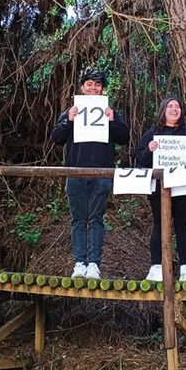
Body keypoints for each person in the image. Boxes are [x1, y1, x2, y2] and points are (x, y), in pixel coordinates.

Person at [50, 69, 130, 280]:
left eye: (98, 85)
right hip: (75, 173)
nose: (93, 88)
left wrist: (113, 121)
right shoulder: (71, 112)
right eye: (89, 84)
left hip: (101, 174)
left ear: (103, 88)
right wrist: (68, 120)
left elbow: (124, 138)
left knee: (96, 219)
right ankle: (79, 263)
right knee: (78, 219)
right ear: (82, 87)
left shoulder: (110, 112)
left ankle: (94, 264)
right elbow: (56, 138)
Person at [134, 96, 186, 283]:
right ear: (163, 110)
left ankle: (185, 267)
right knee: (160, 225)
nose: (174, 109)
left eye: (177, 106)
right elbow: (140, 160)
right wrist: (149, 150)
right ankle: (156, 268)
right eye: (170, 106)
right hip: (160, 188)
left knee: (183, 226)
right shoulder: (153, 133)